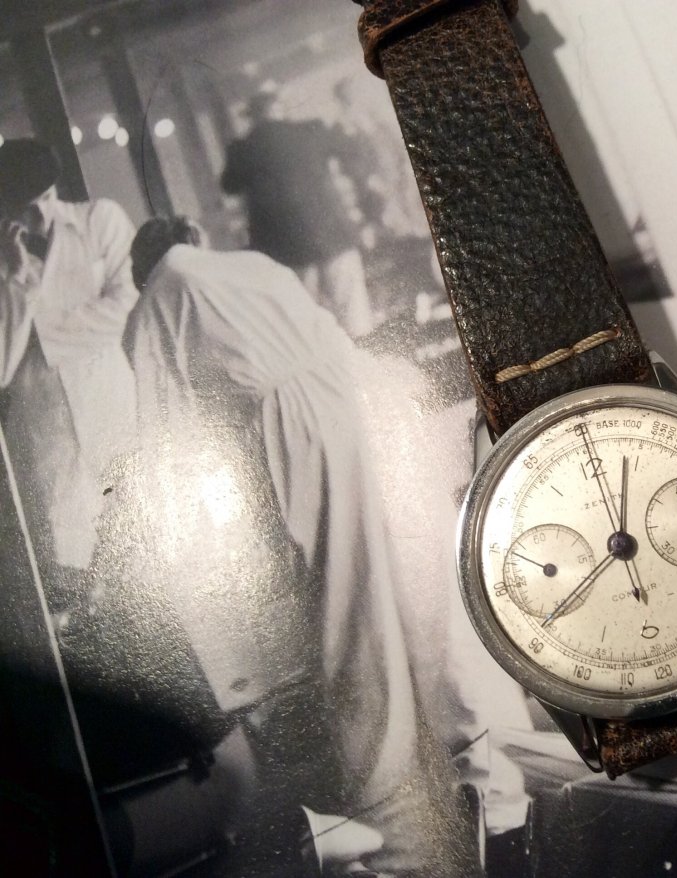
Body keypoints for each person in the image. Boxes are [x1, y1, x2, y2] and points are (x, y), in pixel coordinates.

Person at [124, 217, 478, 876]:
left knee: (357, 631)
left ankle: (401, 842)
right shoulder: (247, 265)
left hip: (305, 431)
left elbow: (171, 440)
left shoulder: (154, 307)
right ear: (192, 237)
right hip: (369, 397)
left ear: (140, 271)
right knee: (421, 604)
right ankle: (477, 789)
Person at [0, 138, 138, 575]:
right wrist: (16, 282)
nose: (40, 216)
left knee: (139, 538)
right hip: (45, 423)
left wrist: (38, 337)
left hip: (109, 399)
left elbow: (126, 305)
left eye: (45, 198)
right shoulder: (4, 263)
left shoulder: (100, 220)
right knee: (71, 557)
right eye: (26, 208)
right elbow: (2, 367)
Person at [221, 92, 376, 338]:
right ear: (280, 110)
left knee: (309, 320)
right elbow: (350, 149)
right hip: (333, 234)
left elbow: (229, 185)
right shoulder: (310, 130)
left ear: (252, 118)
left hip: (287, 248)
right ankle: (366, 349)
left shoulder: (242, 150)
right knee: (353, 311)